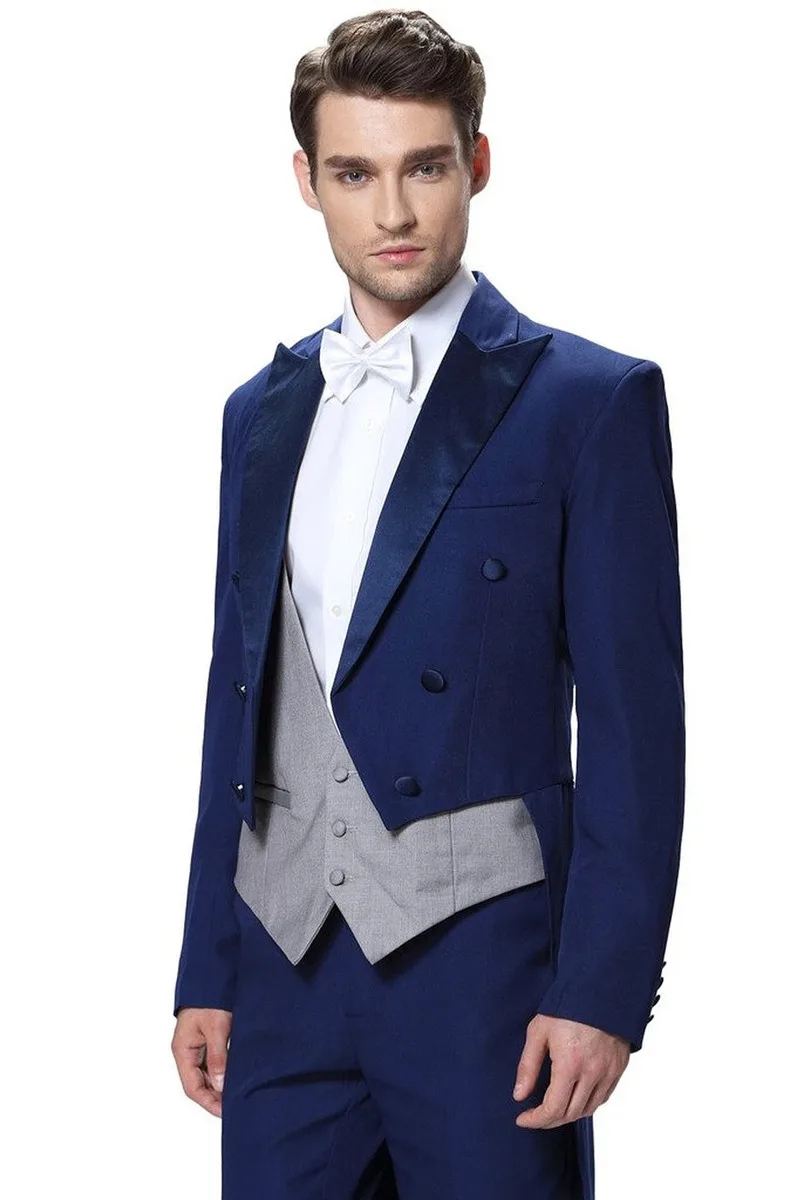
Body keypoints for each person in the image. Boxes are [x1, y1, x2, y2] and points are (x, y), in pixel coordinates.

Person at [170, 9, 685, 1197]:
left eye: (425, 168)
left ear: (476, 164)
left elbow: (632, 730)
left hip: (487, 988)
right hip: (282, 976)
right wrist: (206, 963)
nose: (392, 212)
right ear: (307, 182)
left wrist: (602, 990)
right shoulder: (258, 412)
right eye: (355, 174)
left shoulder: (587, 401)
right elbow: (237, 700)